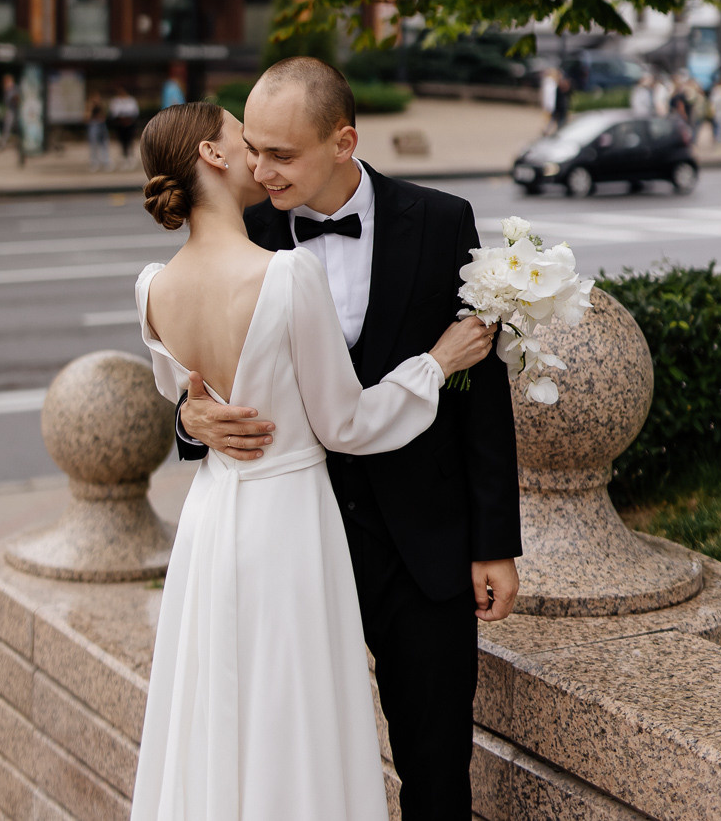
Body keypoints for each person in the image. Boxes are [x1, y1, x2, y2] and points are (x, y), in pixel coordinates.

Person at [133, 99, 499, 821]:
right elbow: (345, 423)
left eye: (277, 151)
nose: (262, 163)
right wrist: (436, 362)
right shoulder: (287, 271)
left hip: (215, 526)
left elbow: (193, 390)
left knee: (222, 716)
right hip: (294, 519)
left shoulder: (149, 286)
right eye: (246, 142)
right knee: (295, 721)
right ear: (213, 155)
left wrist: (188, 408)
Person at [109, 85, 140, 166]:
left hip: (129, 123)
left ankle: (131, 156)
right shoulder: (116, 101)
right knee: (122, 141)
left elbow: (135, 111)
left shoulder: (131, 100)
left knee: (130, 140)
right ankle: (124, 156)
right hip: (120, 124)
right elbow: (113, 113)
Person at [86, 95, 111, 172]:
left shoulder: (102, 107)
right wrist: (90, 107)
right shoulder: (89, 107)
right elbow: (87, 117)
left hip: (101, 125)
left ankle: (106, 162)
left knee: (104, 144)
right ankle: (94, 163)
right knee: (93, 145)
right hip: (93, 125)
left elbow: (104, 116)